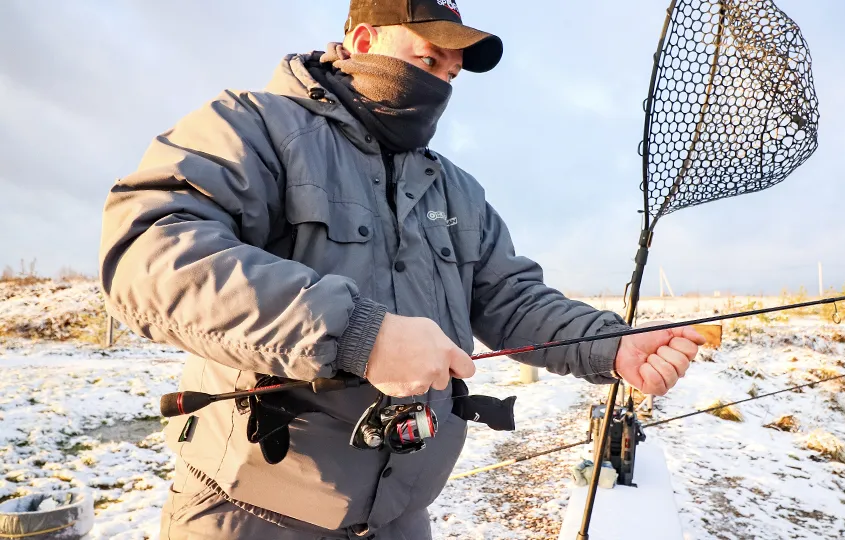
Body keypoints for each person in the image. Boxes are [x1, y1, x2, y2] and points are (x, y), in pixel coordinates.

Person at [97, 0, 705, 538]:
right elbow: (150, 252)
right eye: (428, 59)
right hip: (247, 515)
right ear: (364, 43)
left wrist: (612, 347)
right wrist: (359, 334)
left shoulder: (458, 190)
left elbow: (513, 302)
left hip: (398, 520)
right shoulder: (251, 125)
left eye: (450, 72)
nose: (441, 81)